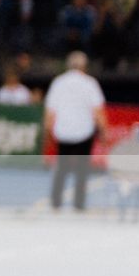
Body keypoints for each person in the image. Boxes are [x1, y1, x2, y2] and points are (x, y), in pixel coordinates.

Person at [44, 51, 106, 212]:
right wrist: (104, 131)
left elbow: (50, 112)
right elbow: (98, 111)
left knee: (62, 168)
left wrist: (48, 132)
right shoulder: (89, 83)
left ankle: (56, 202)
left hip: (63, 132)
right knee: (82, 169)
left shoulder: (58, 82)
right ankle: (79, 203)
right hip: (83, 133)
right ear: (84, 66)